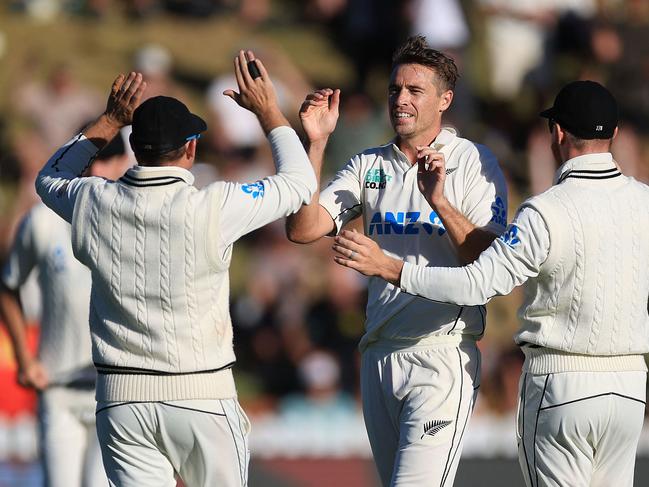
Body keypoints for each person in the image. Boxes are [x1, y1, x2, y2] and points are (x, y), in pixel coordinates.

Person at [332, 80, 649, 487]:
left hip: (561, 384)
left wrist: (392, 269)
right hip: (629, 389)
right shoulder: (644, 202)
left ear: (556, 134)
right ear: (616, 136)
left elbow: (477, 284)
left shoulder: (545, 211)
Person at [34, 51, 316, 487]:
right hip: (202, 394)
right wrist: (269, 111)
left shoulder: (93, 202)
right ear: (190, 147)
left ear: (136, 147)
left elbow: (49, 176)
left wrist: (109, 120)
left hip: (122, 401)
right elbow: (300, 183)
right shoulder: (216, 205)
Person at [286, 35, 508, 486]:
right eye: (394, 89)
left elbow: (492, 262)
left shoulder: (473, 162)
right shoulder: (370, 164)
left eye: (414, 91)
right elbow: (303, 227)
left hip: (440, 353)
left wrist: (439, 202)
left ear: (445, 100)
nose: (400, 100)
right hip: (379, 356)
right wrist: (315, 145)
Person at [0, 134, 130, 487]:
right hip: (58, 386)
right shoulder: (42, 222)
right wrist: (26, 361)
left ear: (123, 166)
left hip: (114, 389)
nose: (97, 173)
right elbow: (8, 286)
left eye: (106, 164)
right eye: (90, 164)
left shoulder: (135, 222)